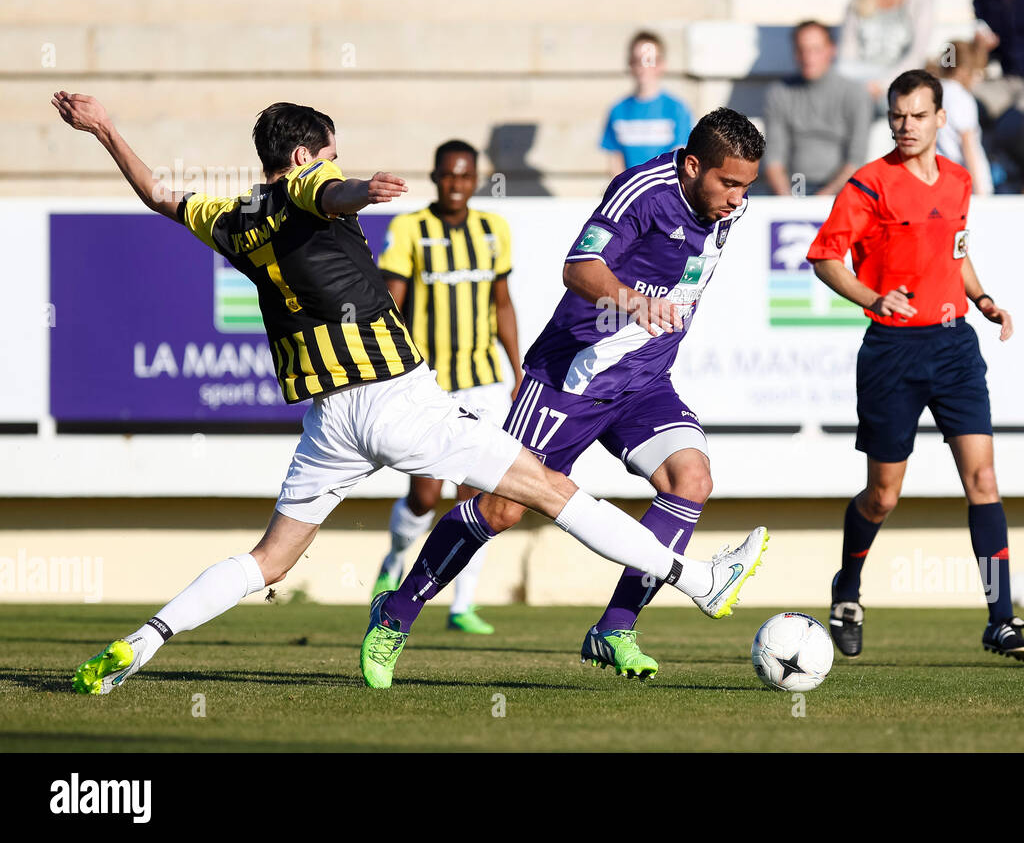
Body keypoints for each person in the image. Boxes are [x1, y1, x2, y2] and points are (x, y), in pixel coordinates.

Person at [51, 92, 768, 695]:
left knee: (268, 560)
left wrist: (107, 130)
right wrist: (359, 190)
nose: (336, 161)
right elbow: (321, 191)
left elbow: (156, 193)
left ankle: (142, 642)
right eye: (330, 151)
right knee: (545, 490)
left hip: (329, 423)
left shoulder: (232, 218)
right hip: (398, 401)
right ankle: (697, 577)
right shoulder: (312, 189)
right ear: (304, 157)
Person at [370, 108, 767, 683]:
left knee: (691, 480)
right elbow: (579, 267)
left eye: (746, 186)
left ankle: (615, 628)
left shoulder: (727, 206)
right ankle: (396, 614)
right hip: (572, 379)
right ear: (691, 165)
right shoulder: (642, 192)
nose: (737, 198)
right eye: (728, 183)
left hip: (644, 380)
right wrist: (633, 301)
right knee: (500, 508)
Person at [805, 69, 1024, 662]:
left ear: (940, 118)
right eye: (897, 115)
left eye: (918, 114)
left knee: (983, 480)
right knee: (883, 496)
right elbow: (826, 259)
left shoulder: (958, 181)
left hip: (956, 346)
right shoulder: (868, 185)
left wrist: (983, 300)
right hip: (893, 351)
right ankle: (847, 587)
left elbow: (957, 254)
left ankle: (1000, 618)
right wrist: (871, 297)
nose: (906, 125)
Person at [368, 139, 523, 634]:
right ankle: (394, 560)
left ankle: (462, 604)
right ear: (435, 178)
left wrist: (517, 368)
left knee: (479, 495)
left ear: (475, 179)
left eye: (465, 176)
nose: (456, 185)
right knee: (426, 494)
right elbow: (390, 301)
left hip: (483, 382)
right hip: (429, 382)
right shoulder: (410, 228)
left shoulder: (492, 230)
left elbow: (502, 302)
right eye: (448, 176)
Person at [763, 21, 872, 196]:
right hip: (793, 190)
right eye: (802, 50)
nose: (808, 57)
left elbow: (856, 159)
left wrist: (823, 198)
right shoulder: (779, 93)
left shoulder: (855, 93)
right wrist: (786, 200)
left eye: (816, 49)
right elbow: (774, 158)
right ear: (795, 52)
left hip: (841, 193)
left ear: (832, 50)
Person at [837, 0, 936, 114]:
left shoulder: (920, 1)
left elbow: (916, 56)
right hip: (862, 82)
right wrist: (865, 85)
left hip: (901, 82)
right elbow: (846, 58)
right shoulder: (856, 3)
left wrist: (882, 84)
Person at [600, 31, 693, 175]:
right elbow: (615, 161)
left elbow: (679, 158)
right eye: (638, 60)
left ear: (662, 65)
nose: (643, 67)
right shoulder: (618, 110)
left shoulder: (677, 109)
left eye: (650, 60)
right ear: (630, 63)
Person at [933, 40, 995, 195]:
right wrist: (979, 189)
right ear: (963, 71)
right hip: (963, 185)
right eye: (976, 72)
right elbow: (967, 143)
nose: (978, 78)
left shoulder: (931, 92)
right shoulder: (961, 97)